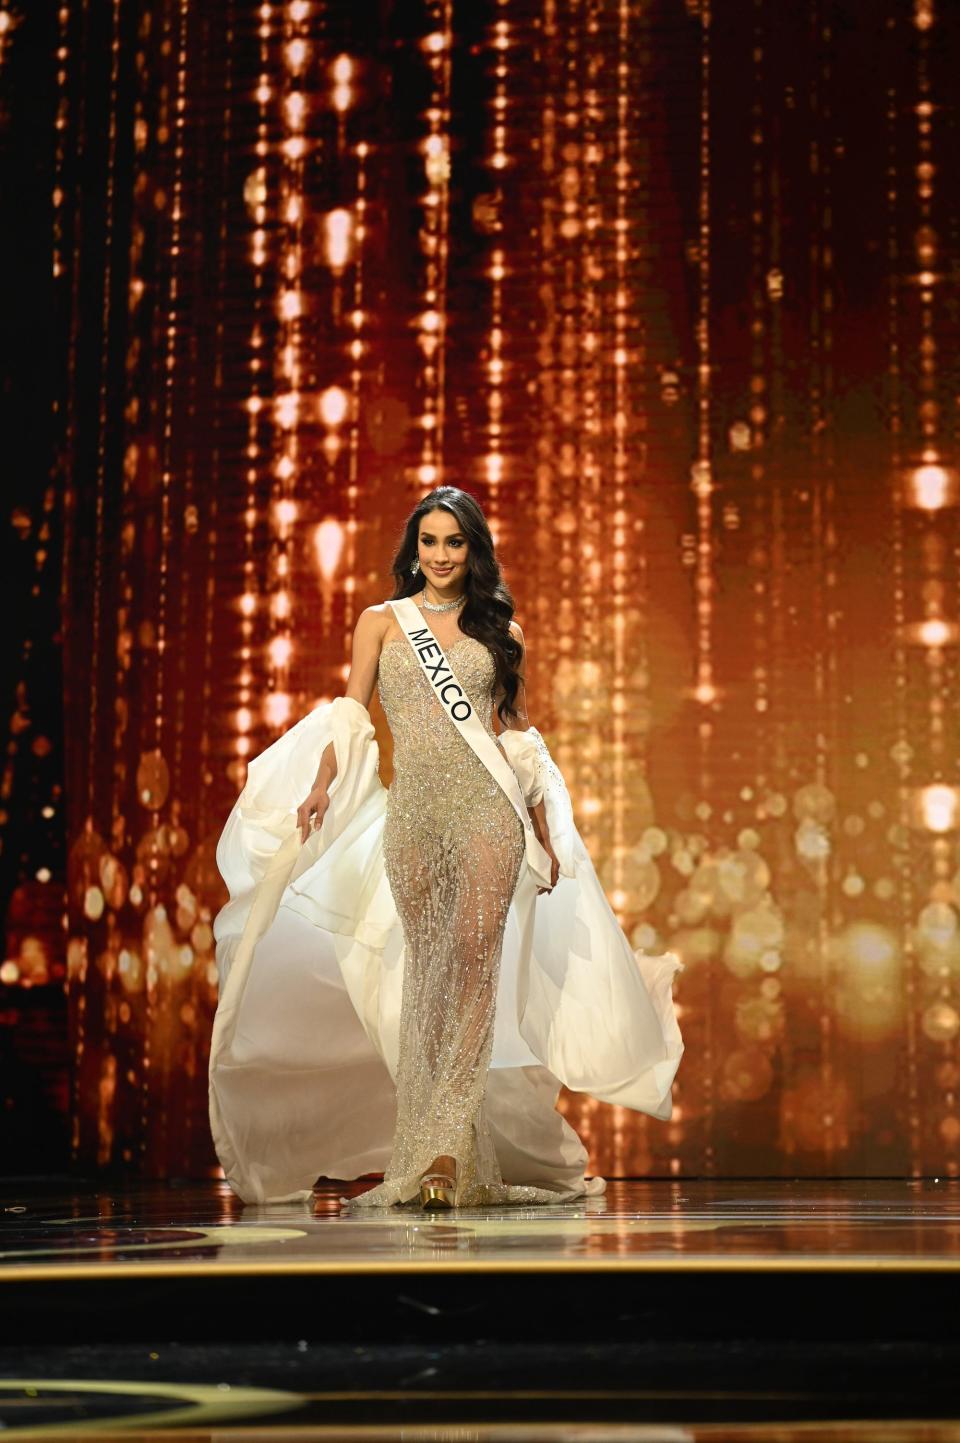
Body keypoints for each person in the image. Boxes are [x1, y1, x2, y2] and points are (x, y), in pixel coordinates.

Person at [209, 487, 683, 1210]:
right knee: (428, 977)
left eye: (454, 543)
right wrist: (321, 784)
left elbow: (514, 736)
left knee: (472, 968)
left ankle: (441, 1153)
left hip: (489, 815)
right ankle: (432, 1143)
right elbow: (350, 713)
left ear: (473, 550)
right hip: (416, 817)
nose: (440, 556)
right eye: (429, 542)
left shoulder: (502, 630)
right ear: (413, 550)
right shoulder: (379, 623)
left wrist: (546, 832)